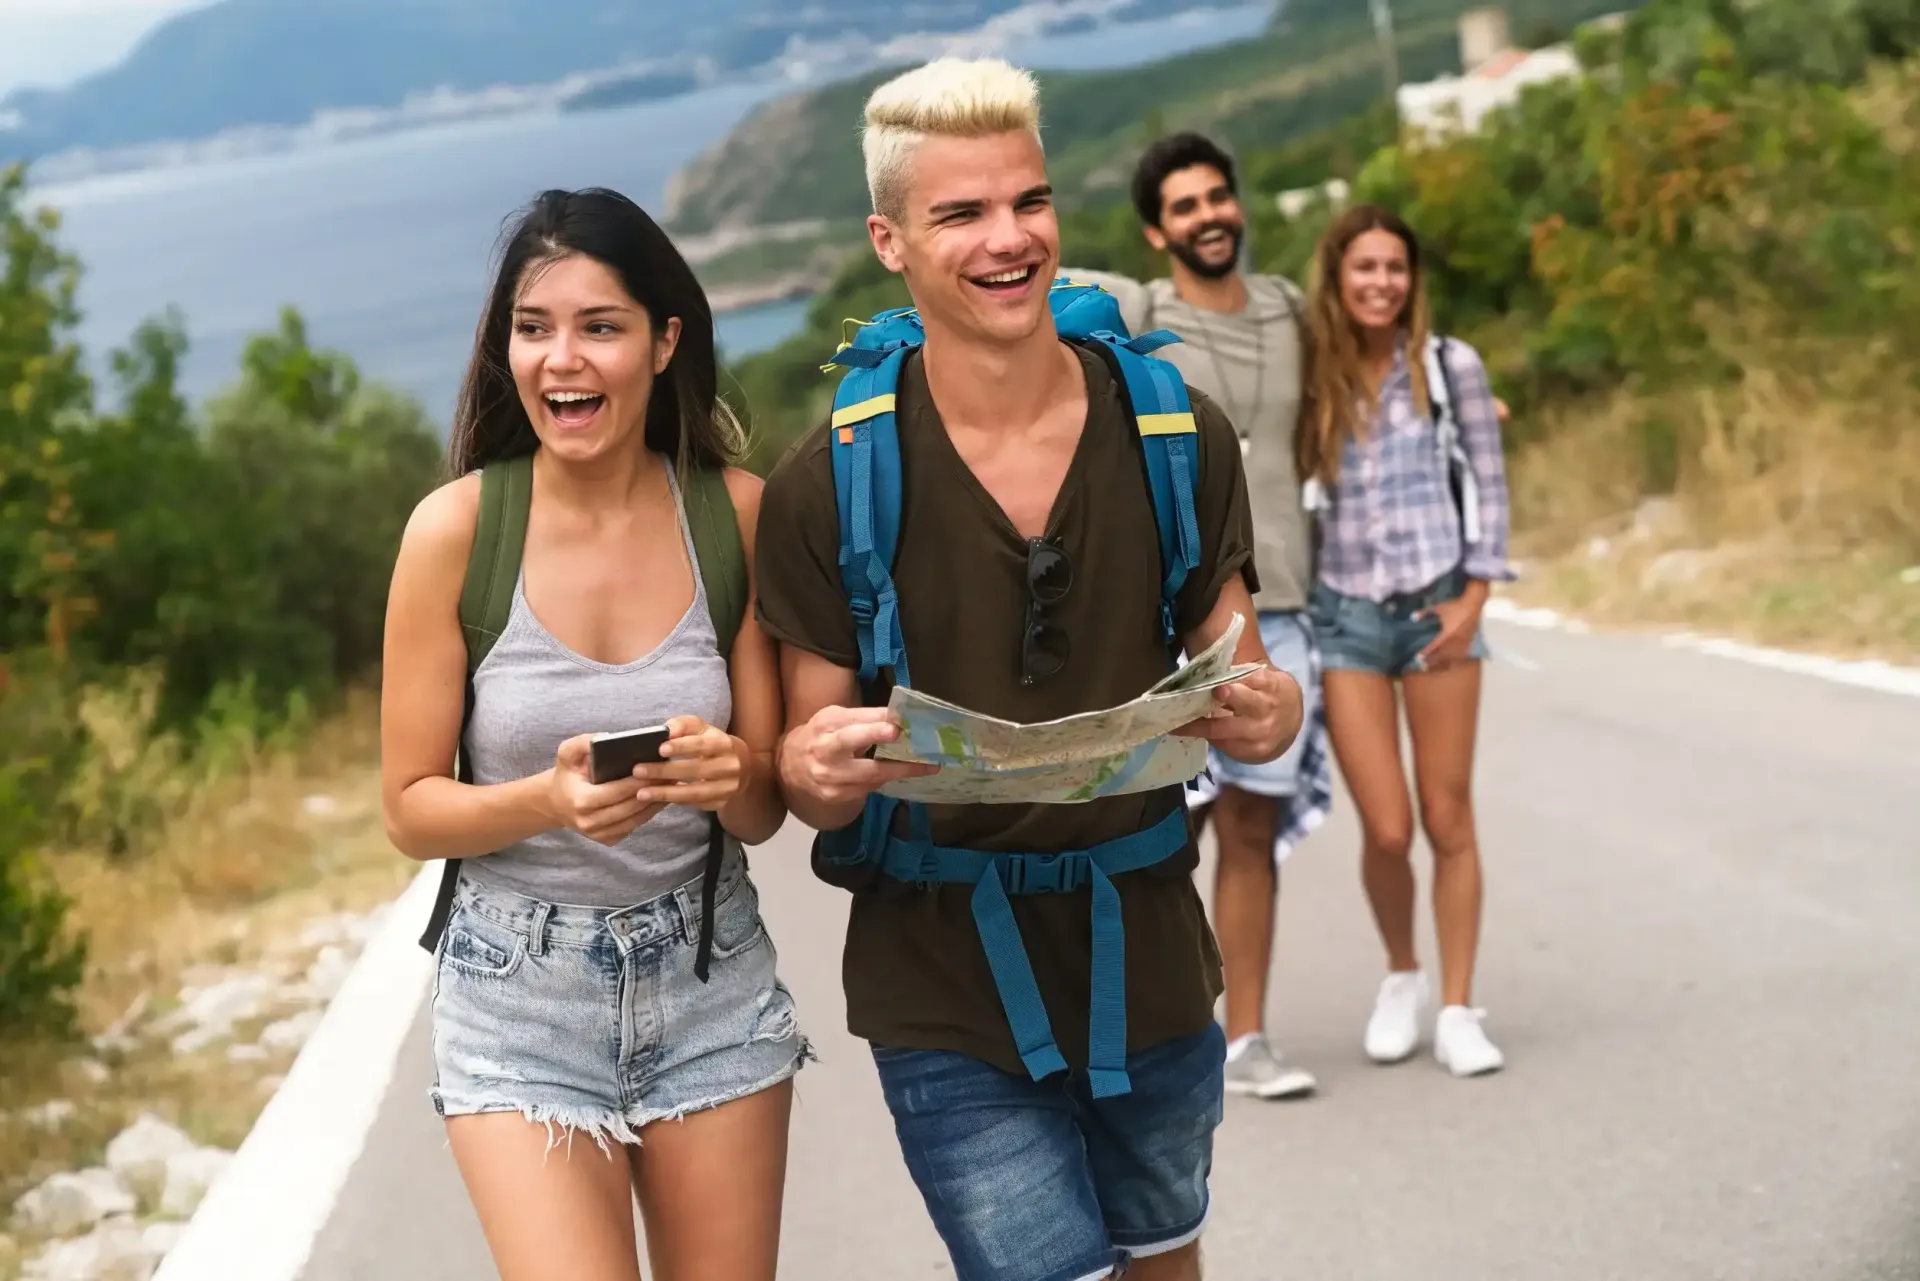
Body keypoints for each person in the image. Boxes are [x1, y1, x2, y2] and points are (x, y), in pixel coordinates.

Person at [755, 58, 1301, 1281]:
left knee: (1165, 1258)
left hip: (1149, 948)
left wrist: (1269, 713)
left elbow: (1249, 684)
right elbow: (805, 774)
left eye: (1030, 201)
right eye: (962, 213)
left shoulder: (1175, 432)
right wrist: (815, 765)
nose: (1010, 239)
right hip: (941, 980)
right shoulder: (827, 485)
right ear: (890, 242)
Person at [379, 187, 807, 1281]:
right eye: (533, 328)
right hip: (516, 996)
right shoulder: (454, 531)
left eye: (599, 326)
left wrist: (730, 772)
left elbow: (765, 808)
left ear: (664, 342)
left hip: (711, 980)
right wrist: (546, 801)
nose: (561, 360)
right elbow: (410, 809)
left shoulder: (735, 514)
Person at [1062, 132, 1326, 1102]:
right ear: (1155, 230)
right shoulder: (1142, 315)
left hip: (1282, 600)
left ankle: (1246, 1039)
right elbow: (1024, 283)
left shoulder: (1289, 308)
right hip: (1178, 616)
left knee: (1253, 830)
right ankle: (1144, 1036)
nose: (1208, 215)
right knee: (1164, 834)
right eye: (1184, 205)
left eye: (1218, 196)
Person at [1297, 203, 1513, 1078]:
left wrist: (1475, 596)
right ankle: (1402, 974)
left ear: (1411, 280)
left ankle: (1459, 1006)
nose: (1382, 282)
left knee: (1448, 817)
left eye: (1395, 267)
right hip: (1345, 613)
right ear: (1337, 277)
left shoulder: (1450, 366)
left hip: (1437, 605)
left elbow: (1490, 483)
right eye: (1366, 267)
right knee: (1387, 828)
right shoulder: (1313, 371)